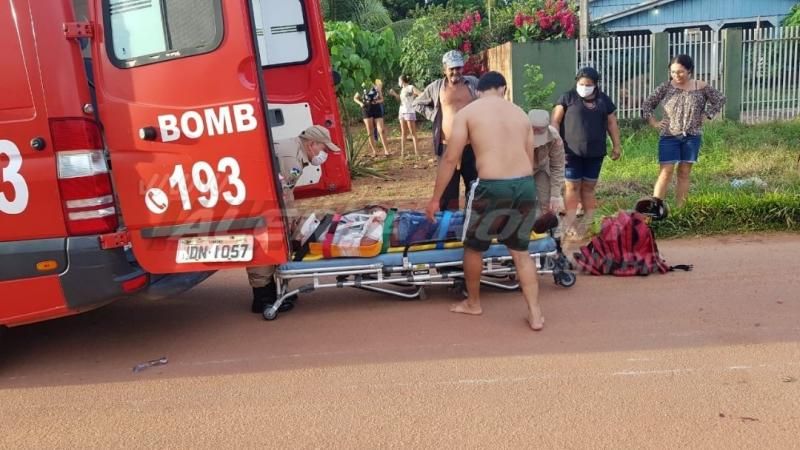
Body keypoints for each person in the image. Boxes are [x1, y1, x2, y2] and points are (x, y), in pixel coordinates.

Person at [425, 71, 544, 331]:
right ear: (503, 88)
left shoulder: (468, 113)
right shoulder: (520, 114)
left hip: (491, 187)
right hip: (524, 186)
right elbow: (530, 160)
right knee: (521, 253)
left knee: (474, 247)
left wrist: (435, 199)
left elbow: (449, 159)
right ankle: (535, 314)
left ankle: (474, 303)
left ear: (479, 90)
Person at [247, 125, 342, 313]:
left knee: (272, 243)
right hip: (260, 205)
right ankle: (263, 299)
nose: (324, 155)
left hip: (261, 201)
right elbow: (280, 194)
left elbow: (285, 192)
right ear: (312, 144)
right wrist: (287, 219)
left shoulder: (295, 150)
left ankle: (271, 293)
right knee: (265, 247)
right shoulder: (292, 161)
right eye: (323, 149)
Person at [642, 54, 726, 208]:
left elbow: (720, 99)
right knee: (666, 171)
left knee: (684, 172)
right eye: (673, 72)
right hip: (669, 135)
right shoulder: (666, 87)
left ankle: (681, 209)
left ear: (689, 71)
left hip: (692, 136)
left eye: (680, 72)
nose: (676, 75)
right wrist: (654, 123)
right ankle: (655, 208)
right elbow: (647, 105)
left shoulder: (701, 87)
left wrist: (708, 115)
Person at [551, 67, 622, 240]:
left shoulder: (604, 100)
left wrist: (617, 146)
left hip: (595, 152)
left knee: (589, 188)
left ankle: (589, 224)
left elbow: (612, 123)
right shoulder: (567, 97)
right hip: (570, 151)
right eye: (581, 83)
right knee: (572, 187)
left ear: (595, 85)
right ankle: (570, 224)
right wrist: (554, 139)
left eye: (588, 84)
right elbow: (555, 119)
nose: (584, 87)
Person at [413, 50, 479, 211]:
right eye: (452, 69)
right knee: (448, 191)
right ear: (445, 69)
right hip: (447, 146)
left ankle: (475, 225)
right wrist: (436, 116)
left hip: (471, 147)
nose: (455, 72)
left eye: (458, 68)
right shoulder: (436, 87)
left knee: (476, 188)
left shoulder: (473, 83)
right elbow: (417, 103)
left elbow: (487, 100)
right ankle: (450, 227)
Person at [528, 109, 566, 216]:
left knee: (548, 202)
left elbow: (557, 166)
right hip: (519, 171)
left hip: (541, 168)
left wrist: (555, 195)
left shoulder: (554, 137)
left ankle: (547, 229)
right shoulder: (516, 135)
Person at [388, 75, 422, 158]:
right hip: (402, 112)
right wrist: (394, 94)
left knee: (412, 133)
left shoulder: (411, 87)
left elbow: (421, 94)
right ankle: (403, 152)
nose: (398, 82)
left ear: (402, 81)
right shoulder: (402, 90)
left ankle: (417, 153)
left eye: (399, 80)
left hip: (409, 112)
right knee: (403, 132)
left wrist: (415, 100)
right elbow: (400, 100)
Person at [354, 79, 390, 157]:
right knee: (370, 132)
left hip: (376, 108)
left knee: (381, 130)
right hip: (366, 109)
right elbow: (355, 98)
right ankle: (374, 151)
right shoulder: (362, 86)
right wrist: (360, 103)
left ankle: (386, 150)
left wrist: (377, 102)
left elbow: (382, 99)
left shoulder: (376, 87)